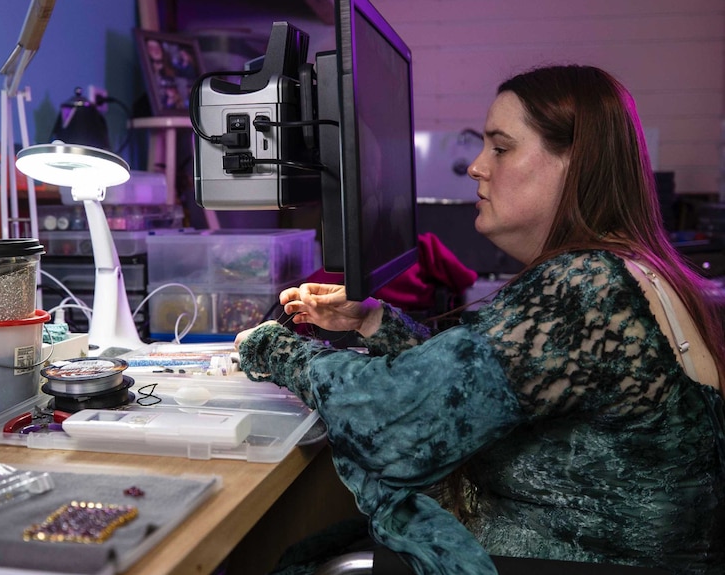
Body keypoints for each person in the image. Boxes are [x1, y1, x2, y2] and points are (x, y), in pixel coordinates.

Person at [234, 64, 725, 575]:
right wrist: (374, 322)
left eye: (501, 147)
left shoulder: (585, 285)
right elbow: (476, 384)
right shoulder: (630, 272)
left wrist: (270, 346)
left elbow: (395, 416)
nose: (476, 166)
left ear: (574, 163)